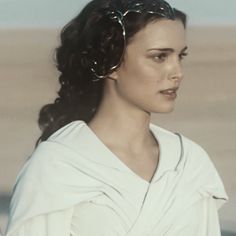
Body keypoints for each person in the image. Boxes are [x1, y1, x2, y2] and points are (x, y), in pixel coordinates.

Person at [5, 0, 228, 235]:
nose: (177, 72)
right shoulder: (57, 166)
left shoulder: (190, 163)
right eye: (159, 57)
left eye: (180, 56)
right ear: (110, 63)